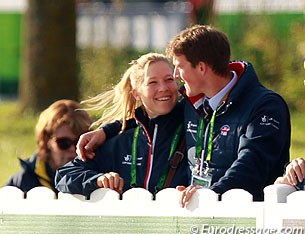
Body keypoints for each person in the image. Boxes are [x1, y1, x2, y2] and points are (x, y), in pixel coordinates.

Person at [76, 25, 291, 205]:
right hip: (201, 215)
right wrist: (106, 130)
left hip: (247, 220)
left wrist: (210, 195)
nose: (176, 76)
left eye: (179, 67)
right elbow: (152, 113)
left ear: (201, 68)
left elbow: (252, 164)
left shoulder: (265, 106)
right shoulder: (192, 99)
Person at [55, 53, 190, 197]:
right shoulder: (121, 140)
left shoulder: (193, 128)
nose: (163, 88)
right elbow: (64, 175)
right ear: (136, 93)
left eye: (169, 79)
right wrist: (99, 180)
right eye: (152, 82)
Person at [5, 99, 92, 193]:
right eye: (64, 143)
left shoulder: (98, 178)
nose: (73, 149)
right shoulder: (21, 183)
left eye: (79, 142)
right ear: (46, 140)